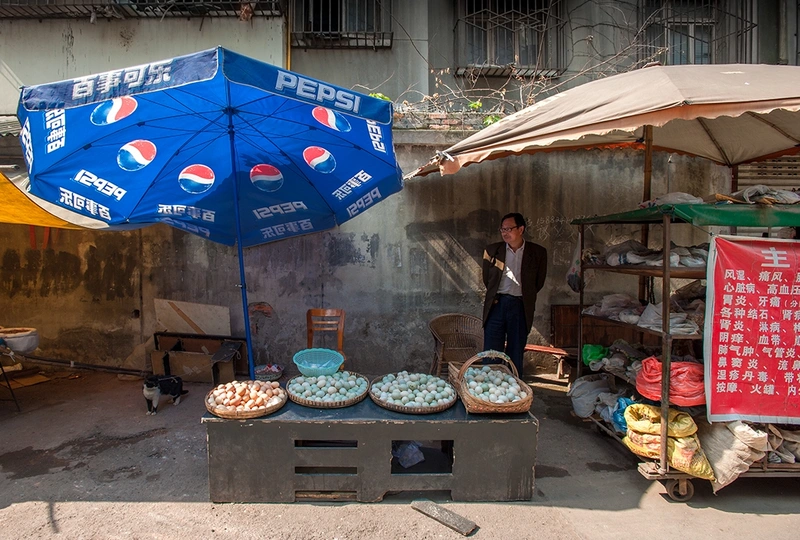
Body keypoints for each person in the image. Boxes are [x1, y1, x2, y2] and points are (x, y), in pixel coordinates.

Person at [481, 212, 548, 377]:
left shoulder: (537, 253)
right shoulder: (492, 251)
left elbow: (538, 283)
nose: (505, 233)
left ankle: (513, 387)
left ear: (521, 229)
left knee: (515, 349)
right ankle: (489, 387)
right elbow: (487, 280)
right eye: (502, 229)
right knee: (491, 350)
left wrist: (523, 296)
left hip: (520, 306)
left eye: (509, 229)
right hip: (497, 304)